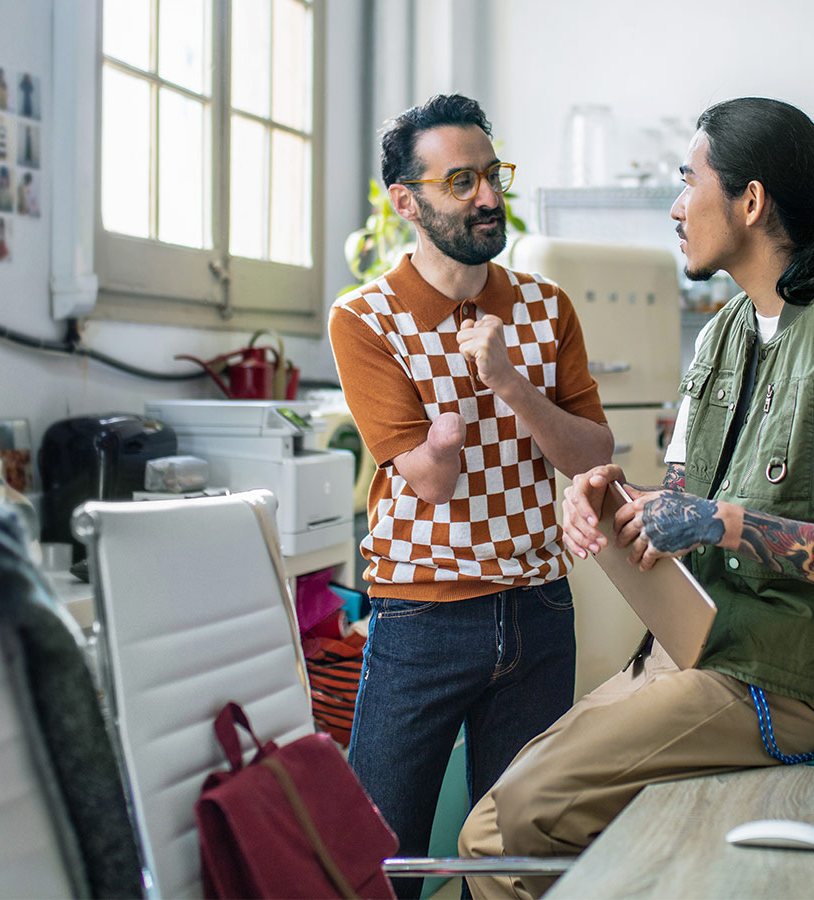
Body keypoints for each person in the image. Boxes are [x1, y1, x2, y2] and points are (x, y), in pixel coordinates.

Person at [457, 97, 814, 900]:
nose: (677, 207)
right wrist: (610, 497)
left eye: (690, 182)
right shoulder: (723, 335)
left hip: (787, 683)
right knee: (485, 830)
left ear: (751, 202)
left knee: (529, 810)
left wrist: (724, 523)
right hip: (696, 649)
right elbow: (678, 506)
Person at [328, 94, 614, 896]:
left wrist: (511, 386)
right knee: (380, 860)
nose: (488, 197)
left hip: (537, 610)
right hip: (422, 617)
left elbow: (592, 452)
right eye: (462, 181)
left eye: (492, 176)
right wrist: (448, 431)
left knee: (523, 861)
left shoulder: (545, 308)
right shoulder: (365, 319)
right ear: (408, 201)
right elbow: (433, 478)